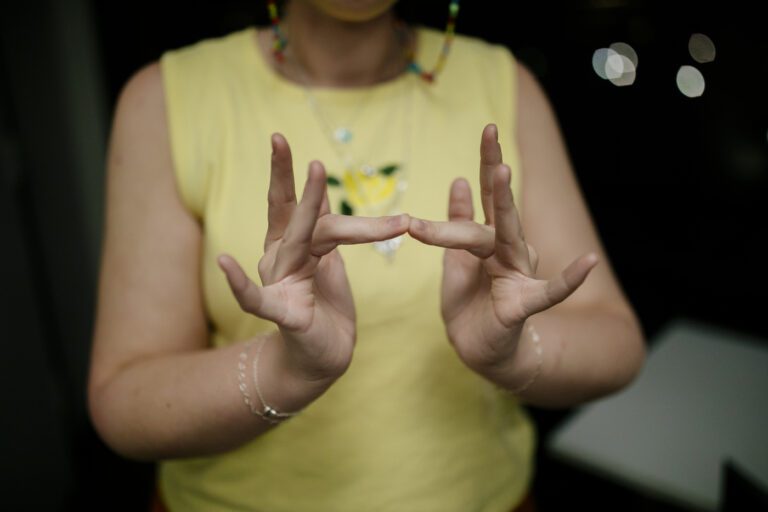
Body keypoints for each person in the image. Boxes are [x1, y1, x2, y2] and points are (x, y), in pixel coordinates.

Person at [87, 0, 647, 510]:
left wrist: (513, 354)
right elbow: (123, 399)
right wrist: (285, 370)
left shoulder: (503, 83)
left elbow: (616, 341)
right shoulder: (167, 98)